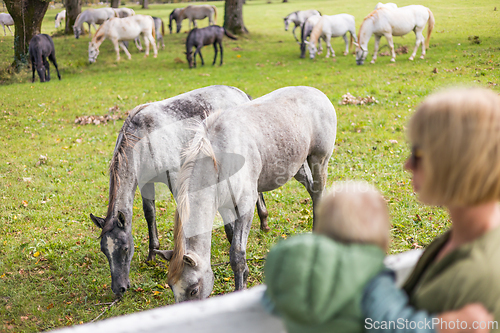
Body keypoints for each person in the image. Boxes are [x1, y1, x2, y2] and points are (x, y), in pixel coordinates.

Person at [263, 181, 491, 333]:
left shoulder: (285, 264)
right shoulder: (369, 277)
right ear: (380, 234)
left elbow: (271, 302)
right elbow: (395, 323)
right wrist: (450, 325)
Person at [364, 87, 500, 333]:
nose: (407, 165)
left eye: (417, 154)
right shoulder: (468, 233)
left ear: (456, 160)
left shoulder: (474, 277)